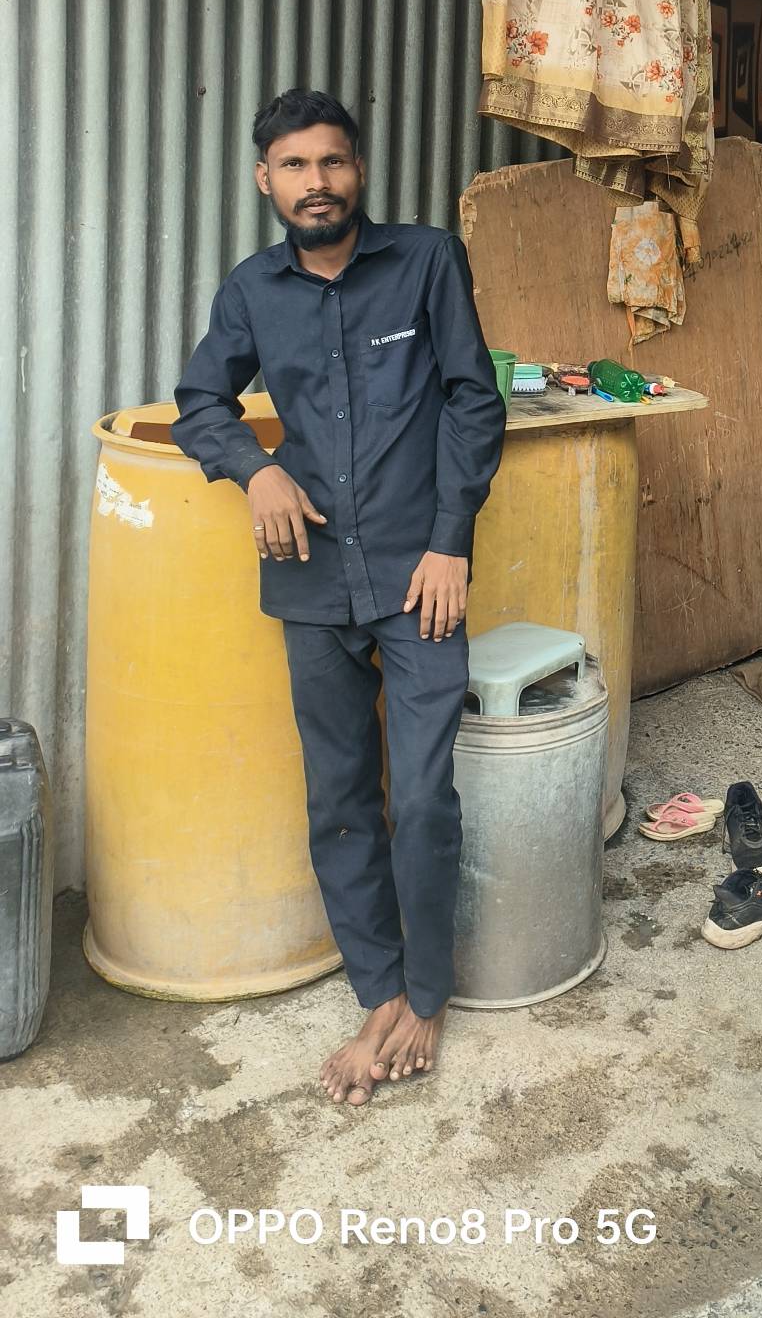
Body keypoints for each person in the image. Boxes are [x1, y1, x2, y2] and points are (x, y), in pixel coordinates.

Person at [172, 89, 505, 1105]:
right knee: (342, 798)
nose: (315, 182)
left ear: (359, 169)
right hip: (311, 577)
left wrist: (451, 544)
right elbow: (198, 403)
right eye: (294, 165)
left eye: (332, 161)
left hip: (418, 576)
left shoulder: (427, 261)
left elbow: (474, 399)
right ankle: (380, 992)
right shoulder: (252, 290)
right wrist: (255, 469)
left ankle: (427, 996)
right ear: (265, 180)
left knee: (424, 794)